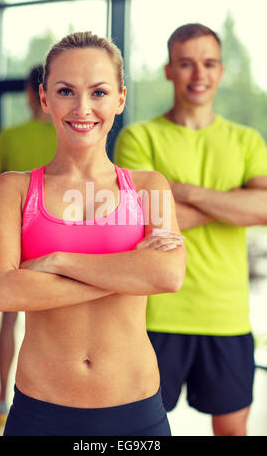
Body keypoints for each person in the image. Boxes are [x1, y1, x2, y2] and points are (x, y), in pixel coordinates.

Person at [0, 31, 186, 436]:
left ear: (120, 99)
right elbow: (0, 292)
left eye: (99, 92)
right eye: (66, 91)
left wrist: (59, 261)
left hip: (135, 411)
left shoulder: (149, 188)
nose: (83, 107)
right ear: (44, 99)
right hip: (40, 411)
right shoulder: (13, 190)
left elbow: (168, 275)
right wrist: (128, 273)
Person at [114, 23, 267, 436]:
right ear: (169, 70)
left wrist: (181, 191)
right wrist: (233, 203)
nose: (198, 74)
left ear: (220, 70)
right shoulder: (138, 137)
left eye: (208, 63)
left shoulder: (247, 140)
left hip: (227, 316)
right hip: (155, 314)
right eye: (186, 63)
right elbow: (140, 217)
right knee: (138, 436)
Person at [0, 65, 57, 425]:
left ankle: (2, 397)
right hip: (56, 242)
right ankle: (53, 397)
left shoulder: (11, 136)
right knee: (57, 323)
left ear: (32, 94)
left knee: (9, 321)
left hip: (17, 239)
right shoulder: (66, 137)